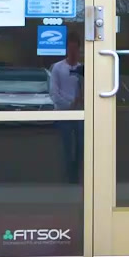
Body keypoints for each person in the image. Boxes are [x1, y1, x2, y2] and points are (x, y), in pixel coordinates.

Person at [50, 32, 85, 181]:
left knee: (81, 145)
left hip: (81, 114)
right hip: (64, 113)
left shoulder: (83, 69)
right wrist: (70, 104)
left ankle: (76, 172)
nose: (73, 52)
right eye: (70, 49)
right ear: (66, 49)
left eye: (75, 49)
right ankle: (69, 174)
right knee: (67, 145)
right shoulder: (57, 68)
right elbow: (54, 92)